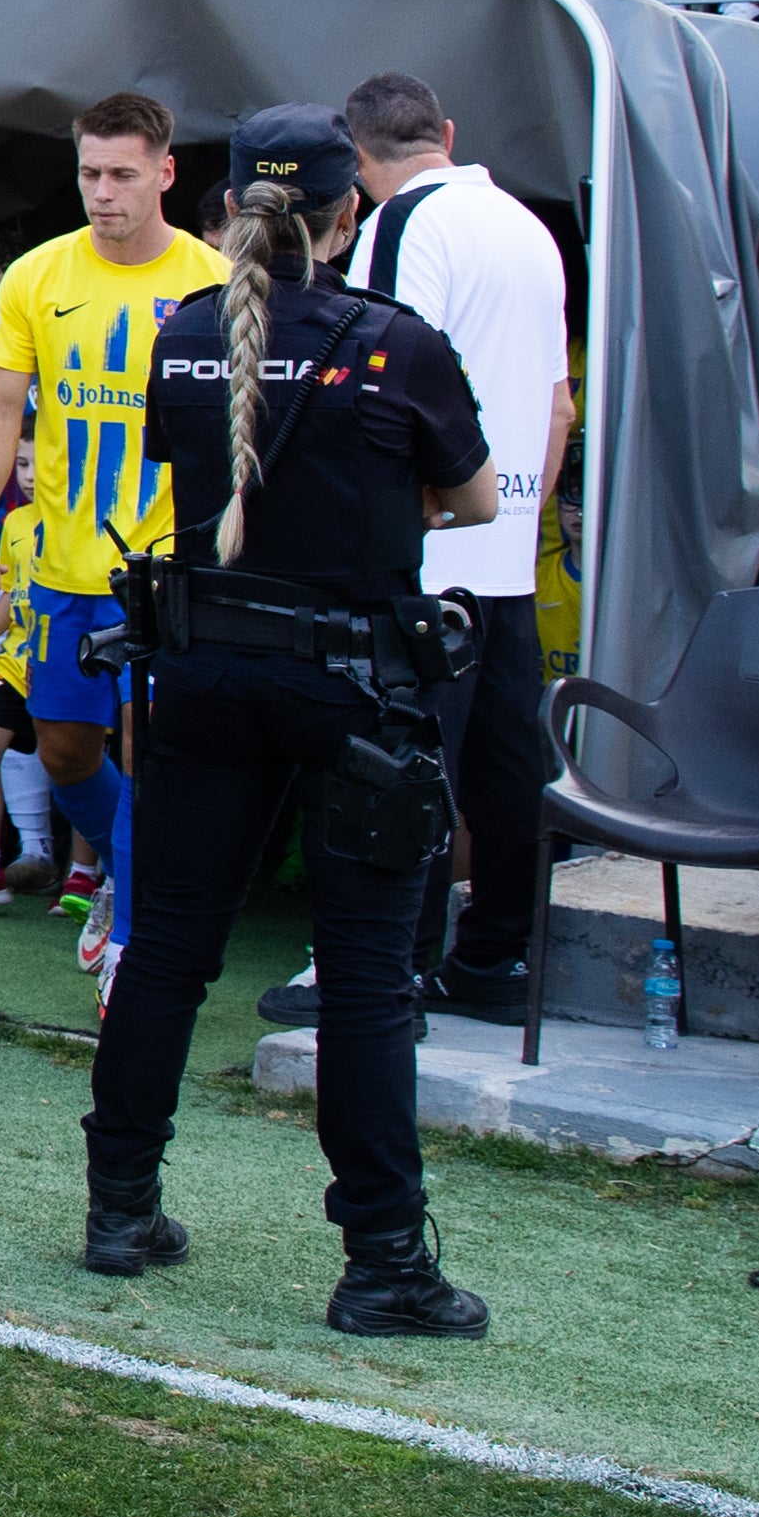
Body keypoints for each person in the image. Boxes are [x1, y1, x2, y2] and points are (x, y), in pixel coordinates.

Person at [83, 104, 505, 1333]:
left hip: (207, 673)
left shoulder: (182, 331)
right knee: (367, 984)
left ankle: (118, 1205)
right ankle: (382, 1261)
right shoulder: (392, 343)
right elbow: (471, 497)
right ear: (345, 212)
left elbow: (200, 467)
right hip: (351, 683)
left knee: (166, 948)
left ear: (223, 210)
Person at [257, 78, 573, 1030]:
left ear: (354, 164)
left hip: (427, 555)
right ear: (447, 132)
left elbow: (381, 376)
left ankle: (379, 963)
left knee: (395, 761)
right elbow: (559, 401)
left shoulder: (401, 226)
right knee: (506, 765)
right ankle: (495, 955)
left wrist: (410, 522)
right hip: (505, 546)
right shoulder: (527, 224)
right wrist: (514, 514)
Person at [0, 96, 227, 982]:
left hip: (166, 572)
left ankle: (134, 941)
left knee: (154, 750)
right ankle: (123, 863)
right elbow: (0, 406)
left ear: (165, 172)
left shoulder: (210, 281)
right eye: (89, 173)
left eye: (121, 174)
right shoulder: (37, 276)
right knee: (68, 747)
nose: (102, 192)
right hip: (64, 566)